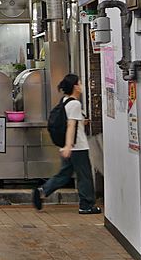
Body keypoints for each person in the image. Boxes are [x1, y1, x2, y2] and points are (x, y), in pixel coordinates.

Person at [32, 74, 99, 214]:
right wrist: (69, 146)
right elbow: (70, 125)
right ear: (75, 86)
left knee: (64, 175)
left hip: (68, 147)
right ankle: (86, 205)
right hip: (77, 147)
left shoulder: (65, 101)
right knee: (85, 176)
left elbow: (72, 121)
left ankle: (43, 191)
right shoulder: (75, 103)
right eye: (79, 83)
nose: (81, 86)